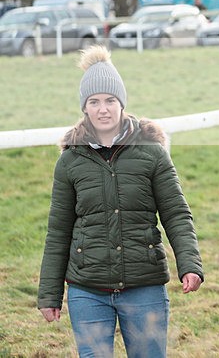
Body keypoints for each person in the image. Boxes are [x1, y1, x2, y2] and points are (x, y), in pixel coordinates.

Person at [38, 45, 204, 358]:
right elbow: (58, 231)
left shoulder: (152, 153)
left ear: (122, 103)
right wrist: (49, 294)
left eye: (110, 100)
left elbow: (177, 214)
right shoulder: (69, 162)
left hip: (145, 288)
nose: (103, 109)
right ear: (84, 107)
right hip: (87, 291)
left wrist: (190, 264)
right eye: (94, 101)